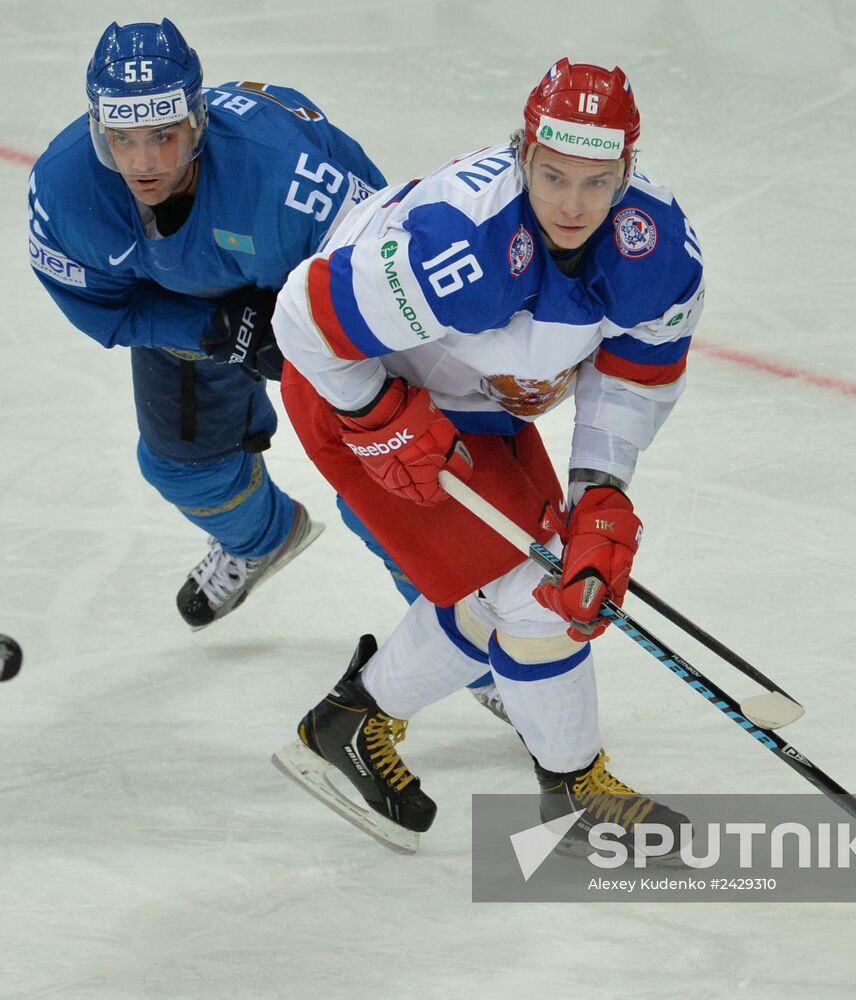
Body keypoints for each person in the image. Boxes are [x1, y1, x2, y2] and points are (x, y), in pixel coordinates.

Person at [270, 59, 705, 852]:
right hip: (355, 392)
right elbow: (302, 318)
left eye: (596, 182)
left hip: (472, 404)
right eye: (552, 175)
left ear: (627, 172)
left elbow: (632, 376)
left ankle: (349, 724)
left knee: (518, 582)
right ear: (522, 154)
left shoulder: (658, 250)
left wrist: (601, 492)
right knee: (538, 595)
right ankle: (574, 797)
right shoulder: (462, 245)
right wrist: (376, 417)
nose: (572, 204)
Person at [26, 19, 385, 628]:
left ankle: (467, 639)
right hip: (189, 294)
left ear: (198, 121)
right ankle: (263, 538)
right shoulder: (64, 190)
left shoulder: (287, 177)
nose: (143, 163)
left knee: (387, 492)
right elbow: (109, 308)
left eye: (163, 136)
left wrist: (301, 331)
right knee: (183, 464)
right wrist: (215, 325)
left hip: (318, 280)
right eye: (121, 139)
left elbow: (381, 281)